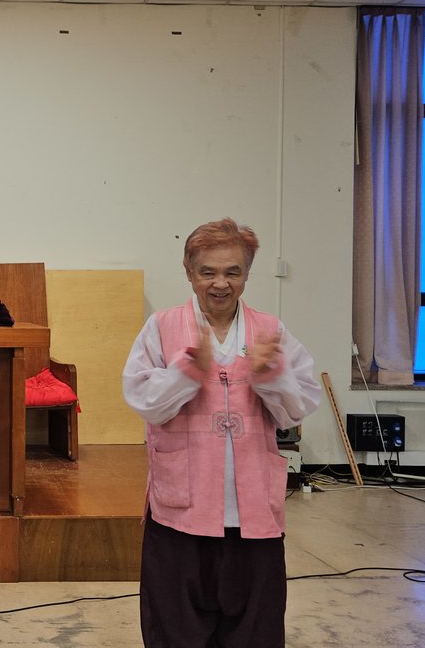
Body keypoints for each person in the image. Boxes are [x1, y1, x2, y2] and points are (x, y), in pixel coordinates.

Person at [121, 217, 321, 648]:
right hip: (180, 514)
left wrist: (272, 376)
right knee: (175, 631)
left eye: (233, 272)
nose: (220, 284)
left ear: (247, 273)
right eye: (208, 272)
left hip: (253, 516)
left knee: (255, 631)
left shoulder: (270, 331)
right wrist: (185, 371)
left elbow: (299, 407)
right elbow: (142, 400)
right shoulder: (163, 327)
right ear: (189, 272)